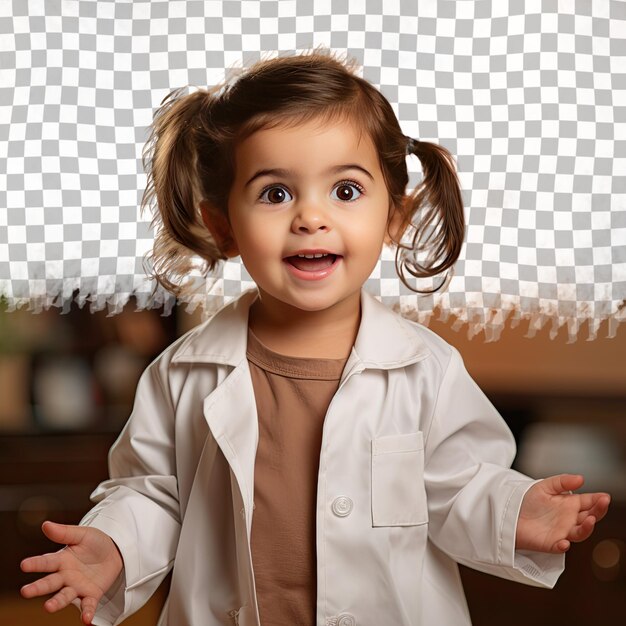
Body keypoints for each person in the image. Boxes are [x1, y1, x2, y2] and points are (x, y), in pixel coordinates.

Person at [20, 47, 610, 626]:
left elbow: (459, 488)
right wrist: (115, 545)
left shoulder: (425, 368)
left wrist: (514, 513)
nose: (310, 217)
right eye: (275, 193)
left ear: (393, 217)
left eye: (346, 190)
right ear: (224, 227)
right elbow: (155, 495)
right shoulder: (183, 374)